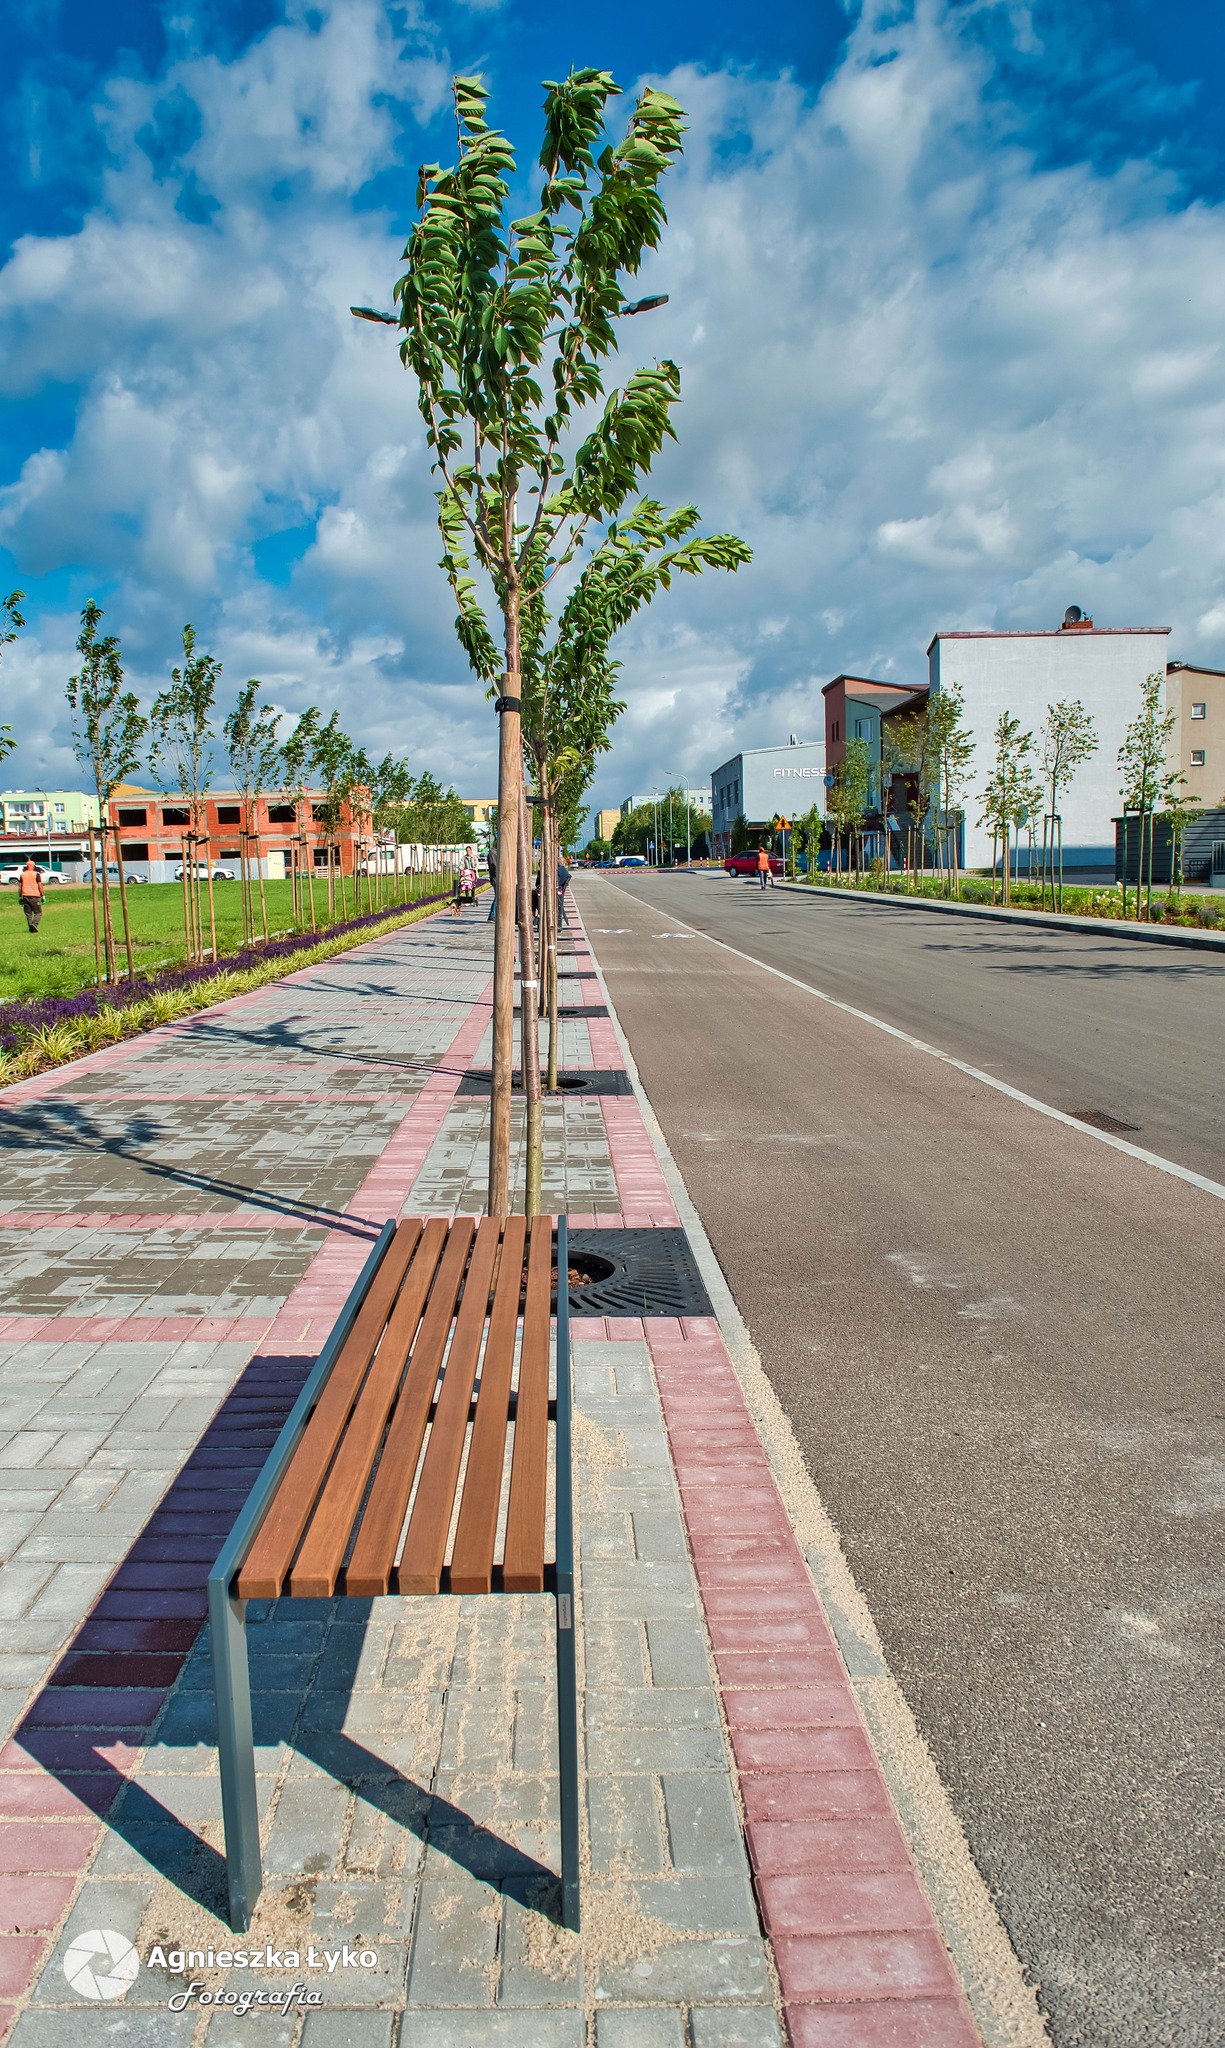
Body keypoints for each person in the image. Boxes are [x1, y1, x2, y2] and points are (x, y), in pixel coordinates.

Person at [18, 858, 44, 933]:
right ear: (33, 866)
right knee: (38, 912)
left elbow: (20, 886)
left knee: (28, 913)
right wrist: (43, 896)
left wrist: (20, 897)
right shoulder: (36, 874)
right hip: (35, 896)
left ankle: (31, 928)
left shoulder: (22, 875)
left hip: (25, 896)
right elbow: (40, 886)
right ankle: (34, 924)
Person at [557, 858, 572, 925]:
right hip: (560, 891)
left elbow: (558, 883)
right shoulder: (564, 870)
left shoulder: (559, 870)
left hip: (558, 892)